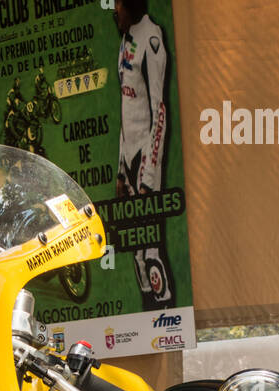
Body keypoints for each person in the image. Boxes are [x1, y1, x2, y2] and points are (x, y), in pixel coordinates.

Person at [114, 0, 175, 310]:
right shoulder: (126, 40)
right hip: (129, 154)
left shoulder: (152, 39)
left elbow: (158, 110)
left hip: (147, 158)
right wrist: (121, 172)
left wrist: (148, 174)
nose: (113, 10)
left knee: (149, 249)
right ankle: (148, 317)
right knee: (135, 251)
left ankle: (164, 312)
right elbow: (127, 111)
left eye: (117, 4)